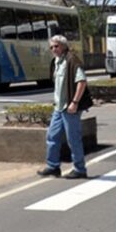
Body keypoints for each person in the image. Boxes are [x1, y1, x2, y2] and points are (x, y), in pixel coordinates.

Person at [37, 35, 89, 179]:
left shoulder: (72, 60)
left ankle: (80, 169)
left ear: (64, 46)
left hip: (70, 107)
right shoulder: (56, 62)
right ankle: (53, 166)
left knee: (73, 139)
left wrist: (75, 102)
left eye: (56, 46)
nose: (54, 49)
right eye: (52, 47)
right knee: (52, 136)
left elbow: (82, 82)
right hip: (58, 108)